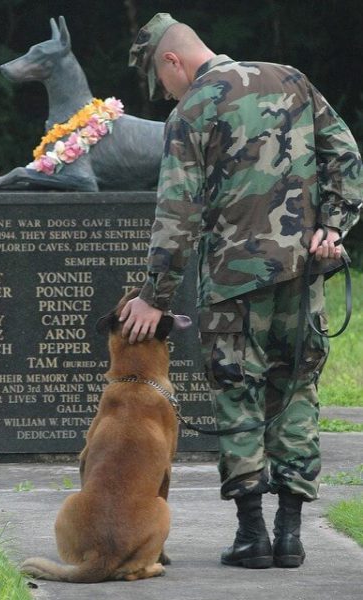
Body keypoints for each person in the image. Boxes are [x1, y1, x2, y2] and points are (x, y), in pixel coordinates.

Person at [120, 12, 362, 569]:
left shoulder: (192, 111)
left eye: (164, 83)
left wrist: (153, 296)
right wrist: (334, 226)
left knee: (238, 396)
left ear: (172, 61)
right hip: (301, 277)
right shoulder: (291, 79)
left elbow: (177, 214)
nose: (167, 95)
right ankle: (292, 535)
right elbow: (346, 157)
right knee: (296, 391)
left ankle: (252, 536)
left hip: (231, 286)